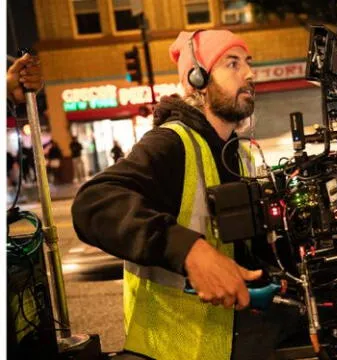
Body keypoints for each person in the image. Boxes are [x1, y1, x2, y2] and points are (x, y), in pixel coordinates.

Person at [72, 30, 299, 360]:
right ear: (198, 79)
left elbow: (247, 249)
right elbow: (92, 202)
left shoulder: (242, 154)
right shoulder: (171, 142)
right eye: (232, 64)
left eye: (248, 63)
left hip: (239, 334)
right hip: (174, 347)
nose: (249, 74)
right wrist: (188, 250)